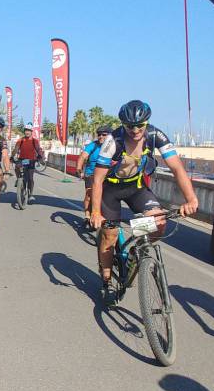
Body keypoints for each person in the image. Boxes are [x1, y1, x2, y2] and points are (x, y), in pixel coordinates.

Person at [90, 100, 198, 289]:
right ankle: (106, 278)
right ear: (123, 124)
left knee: (159, 223)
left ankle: (136, 250)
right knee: (110, 235)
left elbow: (177, 168)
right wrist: (95, 212)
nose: (135, 130)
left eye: (140, 125)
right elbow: (97, 180)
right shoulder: (112, 141)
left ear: (146, 122)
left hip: (136, 187)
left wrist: (191, 199)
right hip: (111, 190)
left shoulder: (156, 135)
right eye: (130, 126)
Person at [76, 125, 113, 227]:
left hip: (106, 175)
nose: (100, 137)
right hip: (91, 174)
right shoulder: (93, 145)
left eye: (104, 135)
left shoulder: (113, 146)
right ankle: (87, 216)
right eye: (99, 135)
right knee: (89, 194)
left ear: (109, 136)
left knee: (106, 196)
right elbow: (82, 157)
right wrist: (79, 169)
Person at [10, 123, 43, 199]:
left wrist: (40, 156)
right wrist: (12, 156)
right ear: (24, 131)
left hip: (31, 161)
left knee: (30, 178)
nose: (27, 132)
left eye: (29, 131)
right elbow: (16, 149)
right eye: (26, 130)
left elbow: (38, 149)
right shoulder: (21, 140)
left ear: (31, 132)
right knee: (17, 167)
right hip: (23, 160)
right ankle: (19, 179)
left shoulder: (34, 141)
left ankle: (30, 194)